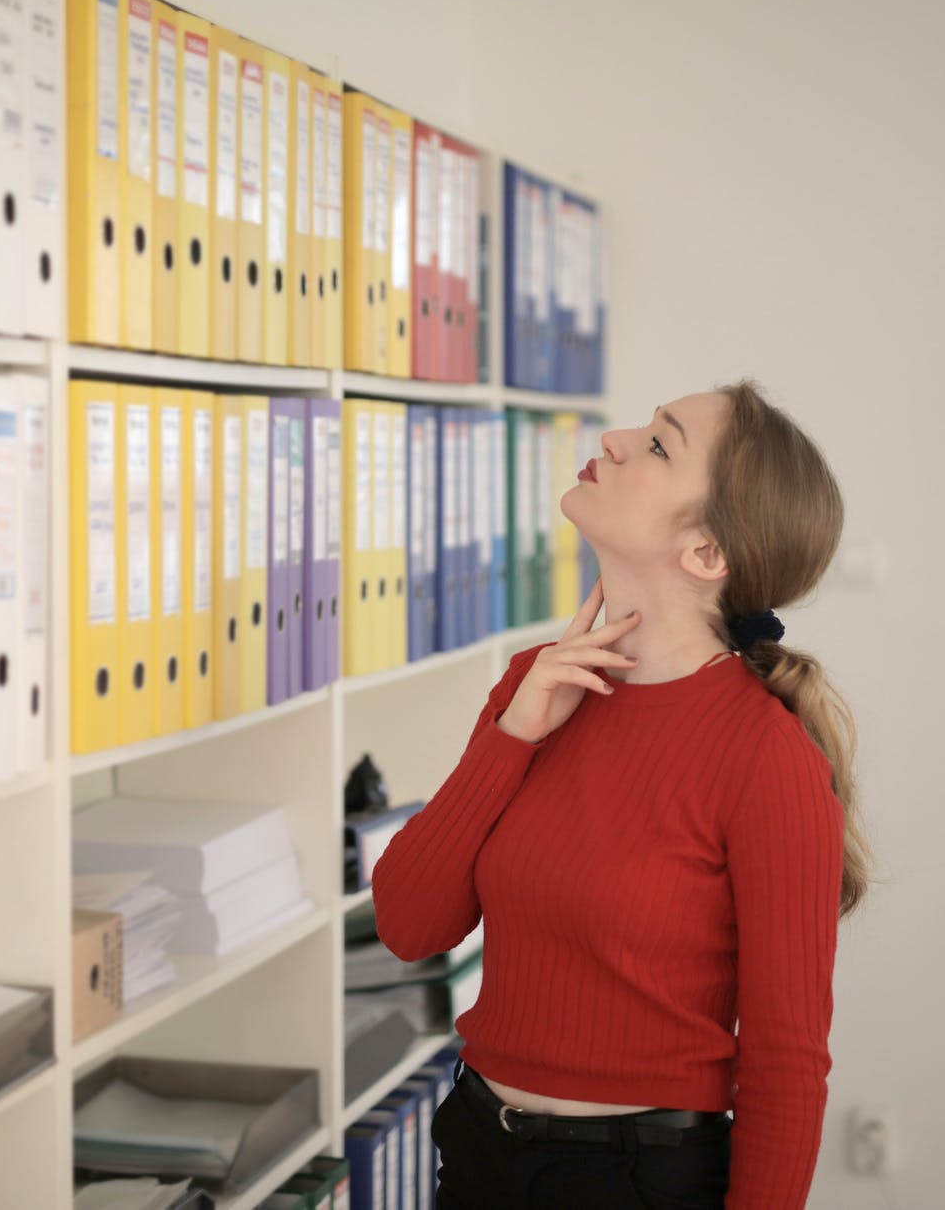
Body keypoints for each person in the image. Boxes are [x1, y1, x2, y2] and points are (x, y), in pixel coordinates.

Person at [371, 379, 874, 1209]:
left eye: (658, 444)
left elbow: (787, 1066)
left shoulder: (766, 758)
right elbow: (408, 923)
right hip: (476, 1153)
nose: (614, 439)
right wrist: (513, 738)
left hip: (636, 1181)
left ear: (707, 553)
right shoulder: (535, 684)